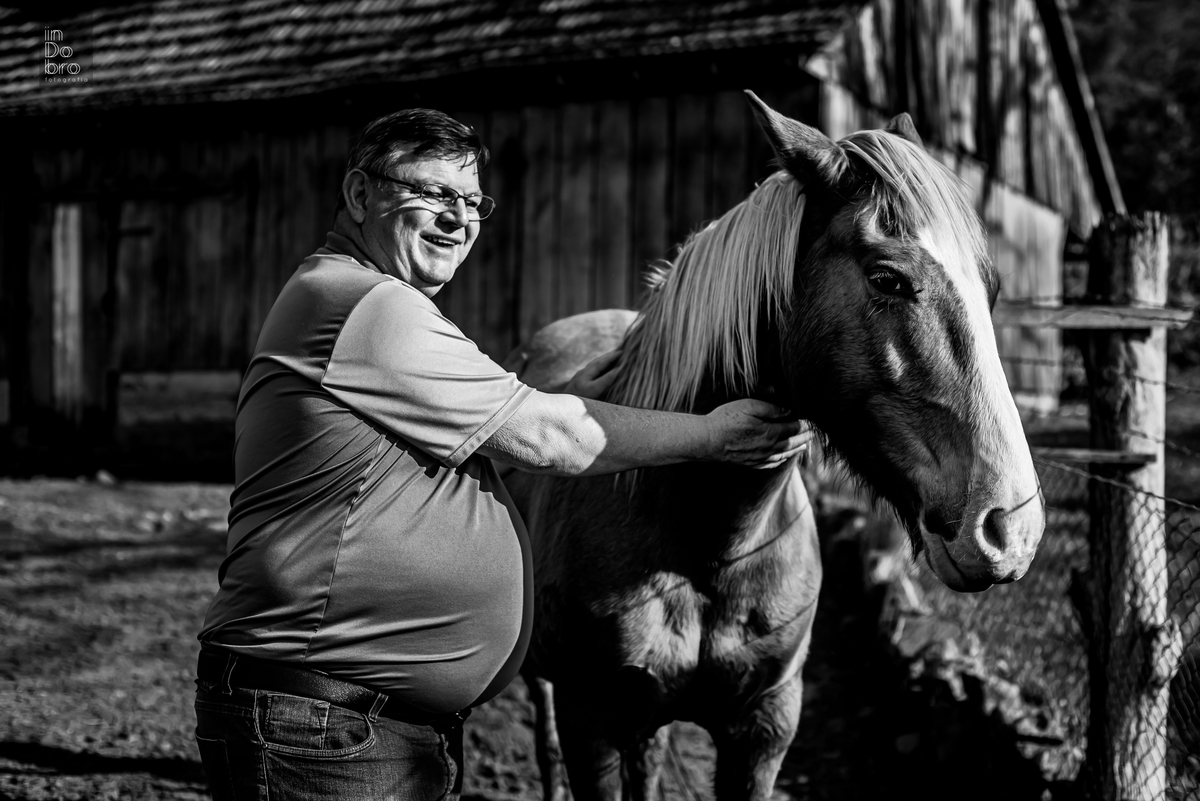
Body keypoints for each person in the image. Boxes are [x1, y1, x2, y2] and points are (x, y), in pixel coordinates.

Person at [193, 108, 810, 801]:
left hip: (352, 718)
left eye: (470, 201)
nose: (457, 218)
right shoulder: (364, 306)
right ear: (361, 195)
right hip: (322, 723)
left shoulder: (368, 303)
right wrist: (713, 434)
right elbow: (548, 436)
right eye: (430, 192)